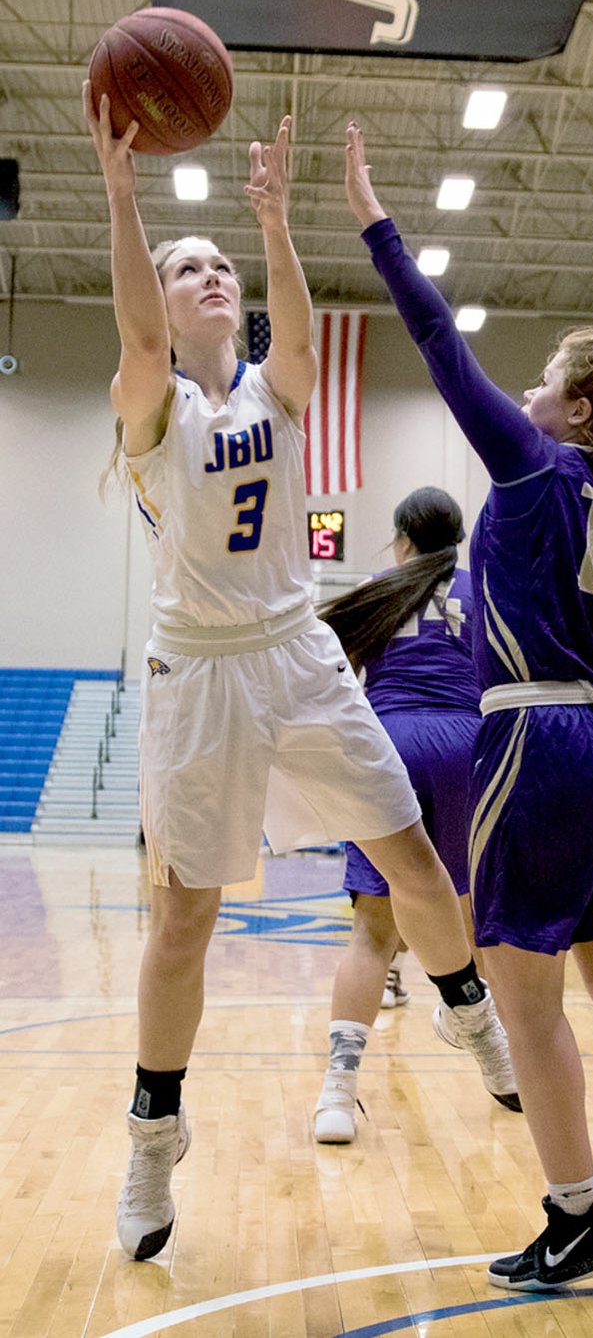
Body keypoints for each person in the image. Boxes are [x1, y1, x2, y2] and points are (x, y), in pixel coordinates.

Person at [83, 86, 518, 1263]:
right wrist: (125, 199)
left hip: (298, 655)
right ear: (165, 311)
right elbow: (131, 335)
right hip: (201, 677)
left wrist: (274, 226)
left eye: (219, 265)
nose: (210, 275)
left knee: (413, 858)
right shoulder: (152, 405)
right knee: (184, 920)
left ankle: (467, 1013)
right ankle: (153, 1135)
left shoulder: (274, 397)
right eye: (190, 269)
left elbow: (303, 337)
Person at [343, 121, 593, 1290]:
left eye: (545, 384)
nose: (525, 389)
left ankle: (574, 1214)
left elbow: (438, 339)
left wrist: (373, 221)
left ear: (573, 413)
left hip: (539, 738)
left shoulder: (531, 463)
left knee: (527, 996)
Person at [313, 487, 517, 1142]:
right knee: (468, 914)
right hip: (467, 747)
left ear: (401, 537)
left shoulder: (379, 586)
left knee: (374, 931)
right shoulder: (483, 589)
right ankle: (495, 1057)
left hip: (390, 745)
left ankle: (338, 1095)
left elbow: (330, 676)